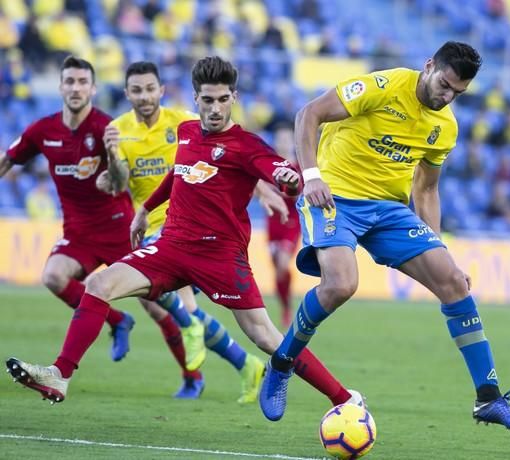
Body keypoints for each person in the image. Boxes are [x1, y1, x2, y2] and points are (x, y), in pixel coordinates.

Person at [6, 56, 363, 412]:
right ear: (196, 99)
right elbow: (179, 173)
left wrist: (288, 179)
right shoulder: (187, 132)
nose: (215, 108)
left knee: (265, 336)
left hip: (220, 257)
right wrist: (144, 211)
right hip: (171, 247)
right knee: (100, 286)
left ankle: (343, 398)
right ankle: (60, 374)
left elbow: (279, 170)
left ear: (233, 97)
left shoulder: (246, 145)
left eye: (223, 99)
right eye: (208, 100)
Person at [259, 42, 510, 432]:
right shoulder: (384, 86)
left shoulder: (445, 127)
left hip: (387, 210)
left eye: (458, 92)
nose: (447, 96)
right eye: (444, 85)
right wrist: (311, 176)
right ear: (429, 67)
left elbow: (425, 191)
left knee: (455, 283)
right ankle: (282, 362)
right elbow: (310, 114)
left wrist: (437, 246)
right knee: (340, 285)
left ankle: (488, 398)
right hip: (334, 195)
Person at [97, 61, 266, 401]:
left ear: (161, 90)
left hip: (185, 226)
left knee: (179, 308)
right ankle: (242, 363)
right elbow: (114, 184)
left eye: (150, 89)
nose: (144, 96)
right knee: (160, 308)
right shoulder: (119, 130)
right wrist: (112, 158)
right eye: (136, 90)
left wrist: (265, 191)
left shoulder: (186, 121)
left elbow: (228, 156)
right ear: (127, 94)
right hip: (149, 229)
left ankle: (196, 366)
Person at [0, 56, 136, 359]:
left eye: (82, 82)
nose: (76, 88)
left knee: (157, 303)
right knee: (52, 276)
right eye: (70, 82)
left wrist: (113, 154)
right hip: (78, 234)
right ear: (61, 86)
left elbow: (119, 182)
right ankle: (118, 320)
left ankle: (191, 375)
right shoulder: (43, 130)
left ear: (93, 88)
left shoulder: (106, 127)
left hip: (118, 229)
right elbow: (8, 158)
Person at [264, 122, 302, 328]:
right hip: (273, 223)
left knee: (282, 264)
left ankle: (287, 307)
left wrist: (288, 191)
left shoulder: (297, 167)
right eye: (281, 139)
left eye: (287, 139)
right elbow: (257, 189)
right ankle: (284, 304)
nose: (284, 143)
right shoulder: (269, 165)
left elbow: (301, 196)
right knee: (276, 269)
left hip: (291, 223)